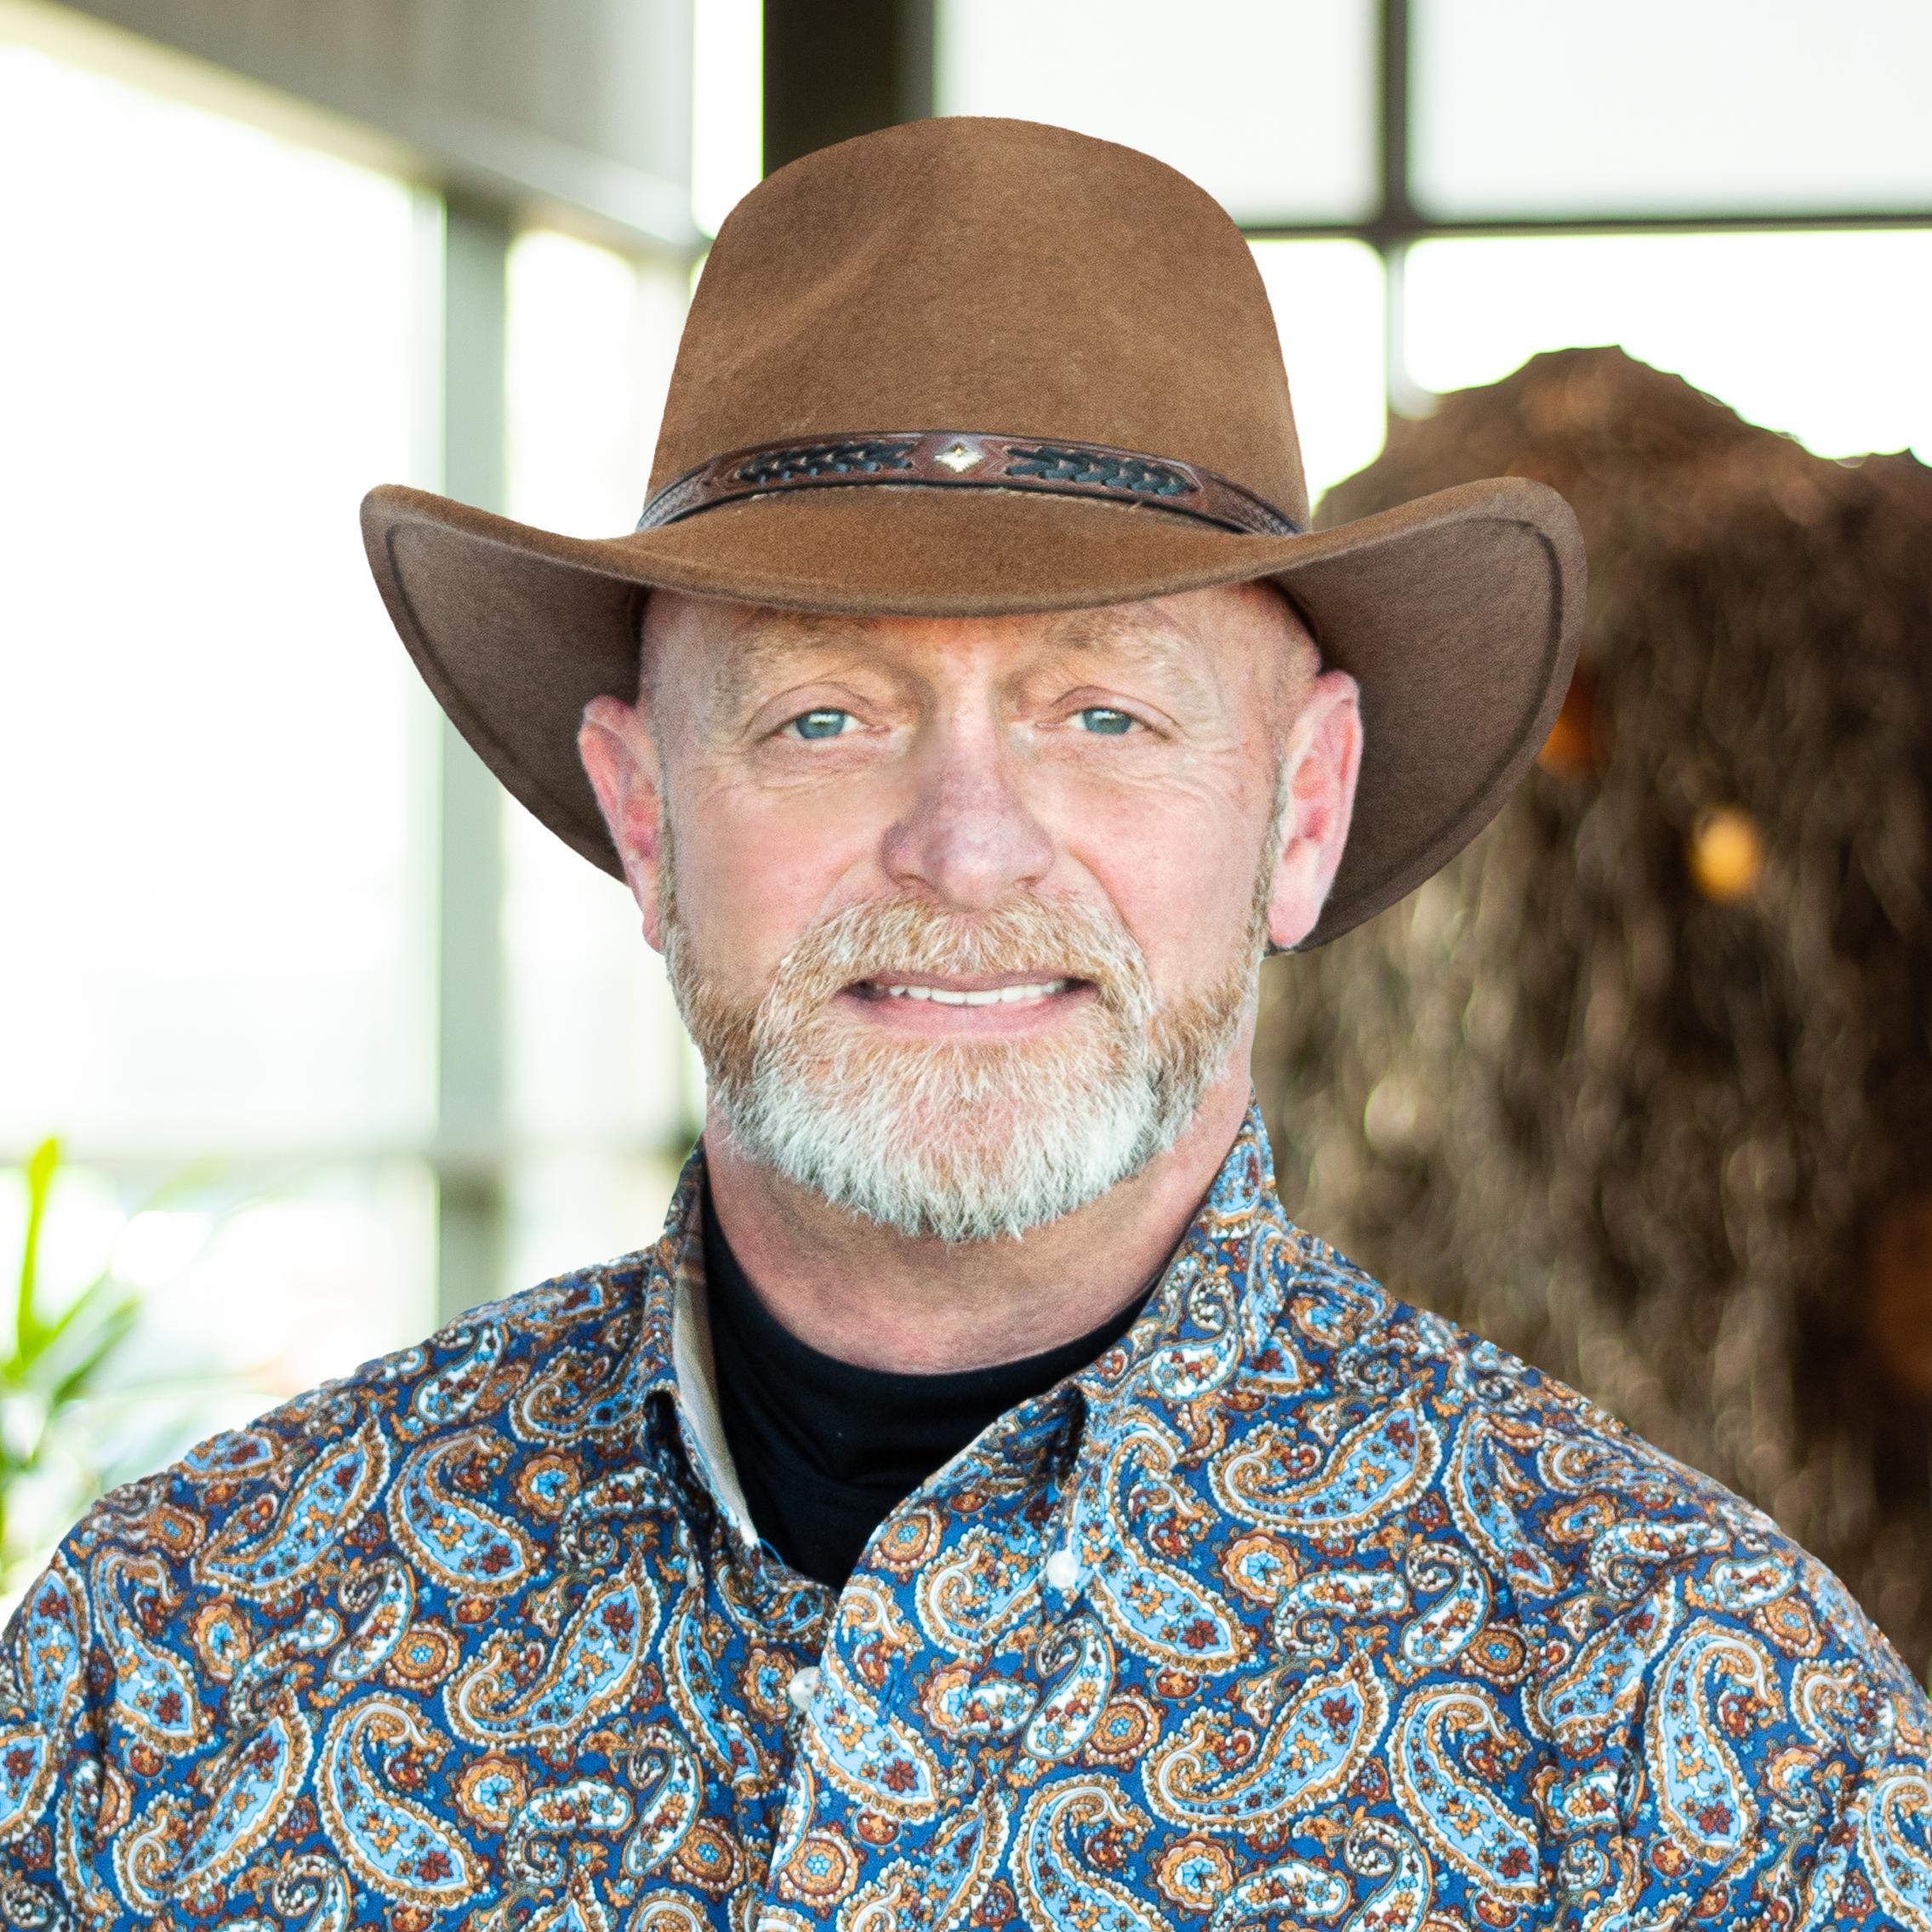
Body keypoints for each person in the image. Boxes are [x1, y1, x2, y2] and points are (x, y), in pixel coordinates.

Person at [3, 117, 1927, 1932]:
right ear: (647, 818)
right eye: (821, 715)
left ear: (1302, 809)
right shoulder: (175, 1668)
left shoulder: (1704, 1744)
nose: (964, 847)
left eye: (1102, 714)